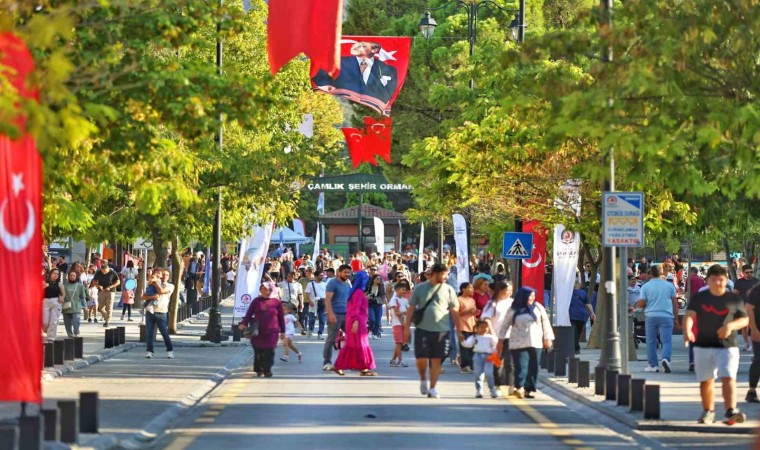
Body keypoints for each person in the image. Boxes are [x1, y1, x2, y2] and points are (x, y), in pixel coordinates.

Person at [684, 264, 748, 425]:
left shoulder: (734, 298)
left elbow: (744, 319)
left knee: (728, 377)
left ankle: (731, 410)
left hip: (728, 345)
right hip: (703, 344)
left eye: (721, 279)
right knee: (706, 380)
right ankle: (708, 411)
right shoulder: (700, 298)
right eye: (714, 279)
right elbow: (690, 315)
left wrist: (730, 326)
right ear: (708, 281)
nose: (718, 283)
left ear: (726, 280)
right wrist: (688, 331)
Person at [403, 262, 461, 399]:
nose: (446, 278)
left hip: (442, 330)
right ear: (435, 273)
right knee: (421, 360)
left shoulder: (449, 290)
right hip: (422, 329)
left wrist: (459, 330)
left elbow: (455, 310)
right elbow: (411, 308)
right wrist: (406, 328)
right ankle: (423, 378)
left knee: (436, 360)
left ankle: (433, 388)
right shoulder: (420, 288)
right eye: (443, 275)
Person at [500, 287, 554, 399]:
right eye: (530, 295)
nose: (532, 298)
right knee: (520, 365)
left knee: (533, 366)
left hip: (535, 341)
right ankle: (519, 387)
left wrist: (547, 338)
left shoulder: (538, 308)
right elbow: (505, 325)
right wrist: (500, 340)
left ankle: (529, 389)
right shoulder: (513, 309)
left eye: (533, 296)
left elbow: (545, 323)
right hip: (518, 342)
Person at [635, 265, 679, 373]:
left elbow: (642, 303)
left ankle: (653, 365)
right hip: (667, 316)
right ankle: (666, 359)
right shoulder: (669, 286)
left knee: (651, 341)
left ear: (651, 273)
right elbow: (675, 304)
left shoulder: (646, 286)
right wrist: (676, 318)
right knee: (666, 341)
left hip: (651, 316)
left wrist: (636, 306)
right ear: (662, 273)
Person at [334, 271, 377, 376]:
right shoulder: (358, 293)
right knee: (358, 344)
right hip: (357, 321)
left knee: (356, 344)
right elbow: (355, 309)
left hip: (356, 321)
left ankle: (363, 368)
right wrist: (356, 322)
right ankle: (340, 365)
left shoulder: (355, 292)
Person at [238, 281, 286, 377]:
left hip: (272, 331)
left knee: (269, 351)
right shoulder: (256, 301)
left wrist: (283, 331)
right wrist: (244, 323)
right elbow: (249, 313)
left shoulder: (276, 302)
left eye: (267, 289)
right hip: (258, 331)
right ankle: (259, 369)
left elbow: (281, 317)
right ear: (260, 290)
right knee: (258, 351)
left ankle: (267, 370)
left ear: (271, 290)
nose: (265, 291)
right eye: (263, 289)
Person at [482, 281, 514, 395]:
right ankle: (498, 385)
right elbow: (486, 319)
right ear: (500, 291)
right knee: (497, 361)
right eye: (507, 290)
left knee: (510, 361)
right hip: (496, 336)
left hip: (511, 336)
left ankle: (511, 386)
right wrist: (492, 333)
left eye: (511, 290)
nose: (509, 292)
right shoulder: (493, 303)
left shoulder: (513, 303)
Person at [323, 264, 352, 371]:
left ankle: (351, 360)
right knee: (331, 339)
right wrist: (330, 314)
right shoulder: (332, 283)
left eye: (348, 272)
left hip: (347, 315)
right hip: (335, 315)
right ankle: (327, 362)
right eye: (345, 272)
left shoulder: (347, 285)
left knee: (352, 338)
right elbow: (327, 300)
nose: (347, 274)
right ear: (339, 272)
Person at [460, 320, 500, 398]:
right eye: (481, 327)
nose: (484, 329)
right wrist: (462, 341)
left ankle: (492, 389)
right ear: (476, 328)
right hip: (478, 356)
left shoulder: (491, 337)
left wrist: (496, 355)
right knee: (478, 374)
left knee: (489, 373)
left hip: (489, 356)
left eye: (486, 327)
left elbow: (496, 345)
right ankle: (479, 390)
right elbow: (468, 345)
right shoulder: (474, 337)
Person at [144, 269, 175, 359]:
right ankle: (149, 351)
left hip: (161, 312)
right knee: (149, 333)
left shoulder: (170, 286)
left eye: (167, 275)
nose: (165, 276)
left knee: (164, 333)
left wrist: (155, 282)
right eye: (163, 274)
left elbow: (161, 291)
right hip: (150, 311)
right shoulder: (152, 284)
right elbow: (144, 296)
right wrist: (152, 296)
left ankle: (170, 351)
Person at [733, 264, 758, 352]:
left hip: (754, 307)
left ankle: (752, 344)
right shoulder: (739, 282)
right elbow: (735, 293)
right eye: (747, 272)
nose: (749, 274)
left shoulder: (756, 281)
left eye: (751, 272)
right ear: (742, 273)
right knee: (744, 326)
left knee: (752, 325)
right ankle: (746, 343)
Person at [744, 270, 760, 403]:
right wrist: (754, 329)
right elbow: (749, 309)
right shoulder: (757, 290)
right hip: (758, 332)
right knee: (758, 361)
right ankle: (752, 391)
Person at [388, 280, 410, 367]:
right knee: (398, 342)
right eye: (402, 289)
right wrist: (406, 312)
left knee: (399, 343)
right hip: (397, 324)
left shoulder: (405, 300)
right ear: (396, 290)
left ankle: (393, 360)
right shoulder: (394, 300)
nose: (404, 291)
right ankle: (400, 360)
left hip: (404, 324)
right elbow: (397, 313)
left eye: (405, 290)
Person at [569, 282, 596, 354]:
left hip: (572, 314)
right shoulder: (583, 293)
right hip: (582, 315)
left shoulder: (569, 292)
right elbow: (588, 304)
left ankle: (576, 348)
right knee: (578, 332)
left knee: (573, 331)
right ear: (579, 285)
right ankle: (576, 347)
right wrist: (592, 313)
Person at [457, 282, 478, 374]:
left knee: (472, 347)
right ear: (463, 289)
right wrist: (467, 312)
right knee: (464, 347)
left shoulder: (472, 300)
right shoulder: (458, 300)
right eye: (470, 288)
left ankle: (472, 365)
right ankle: (464, 366)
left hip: (472, 325)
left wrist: (475, 313)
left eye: (472, 288)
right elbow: (456, 314)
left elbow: (472, 313)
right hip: (462, 325)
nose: (472, 290)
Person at [93, 262, 120, 327]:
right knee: (100, 307)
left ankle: (107, 321)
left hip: (110, 291)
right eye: (102, 271)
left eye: (105, 271)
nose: (104, 273)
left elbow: (118, 282)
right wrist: (98, 285)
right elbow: (94, 281)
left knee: (109, 307)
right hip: (101, 291)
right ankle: (106, 318)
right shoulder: (98, 272)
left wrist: (110, 287)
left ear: (108, 269)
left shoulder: (112, 272)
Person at [42, 268, 65, 342]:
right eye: (54, 273)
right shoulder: (44, 282)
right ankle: (46, 331)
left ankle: (51, 337)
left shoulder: (59, 284)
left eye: (57, 274)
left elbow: (63, 293)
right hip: (45, 301)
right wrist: (44, 286)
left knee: (53, 321)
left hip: (55, 301)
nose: (56, 275)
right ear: (50, 274)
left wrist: (62, 297)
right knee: (45, 321)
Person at [62, 270, 86, 337]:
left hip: (76, 306)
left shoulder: (80, 286)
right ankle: (70, 335)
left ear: (76, 277)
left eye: (74, 275)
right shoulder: (64, 285)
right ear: (68, 276)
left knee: (76, 321)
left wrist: (85, 306)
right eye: (70, 275)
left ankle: (76, 332)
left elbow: (83, 297)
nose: (72, 277)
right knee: (67, 323)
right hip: (66, 307)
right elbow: (61, 296)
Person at [306, 270, 328, 339]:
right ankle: (310, 329)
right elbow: (307, 293)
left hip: (322, 303)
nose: (322, 277)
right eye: (320, 275)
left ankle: (320, 333)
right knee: (312, 319)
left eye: (322, 275)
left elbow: (327, 293)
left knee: (322, 319)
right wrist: (310, 301)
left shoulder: (324, 284)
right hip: (314, 303)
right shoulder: (310, 284)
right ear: (316, 276)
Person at [366, 273, 386, 339]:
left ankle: (375, 333)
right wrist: (368, 296)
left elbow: (383, 297)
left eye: (379, 279)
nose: (378, 280)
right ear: (373, 279)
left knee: (378, 320)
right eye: (377, 278)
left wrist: (376, 298)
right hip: (370, 304)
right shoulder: (369, 286)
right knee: (372, 319)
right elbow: (365, 294)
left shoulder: (381, 287)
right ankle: (370, 331)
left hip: (378, 305)